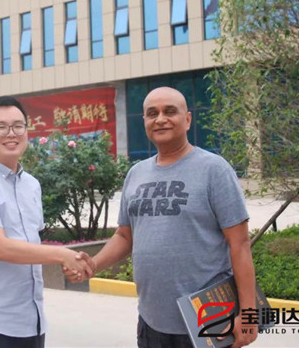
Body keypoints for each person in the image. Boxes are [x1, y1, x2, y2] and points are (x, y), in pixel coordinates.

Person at [76, 87, 258, 348]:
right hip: (151, 323)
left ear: (188, 119)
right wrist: (92, 265)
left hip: (209, 321)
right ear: (145, 122)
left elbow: (239, 243)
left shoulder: (214, 169)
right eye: (152, 113)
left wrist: (249, 314)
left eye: (170, 111)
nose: (160, 119)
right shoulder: (136, 174)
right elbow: (125, 236)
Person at [0, 96, 94, 348]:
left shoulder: (31, 185)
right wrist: (62, 255)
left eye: (18, 126)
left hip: (32, 322)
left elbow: (30, 246)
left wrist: (68, 264)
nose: (12, 134)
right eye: (1, 127)